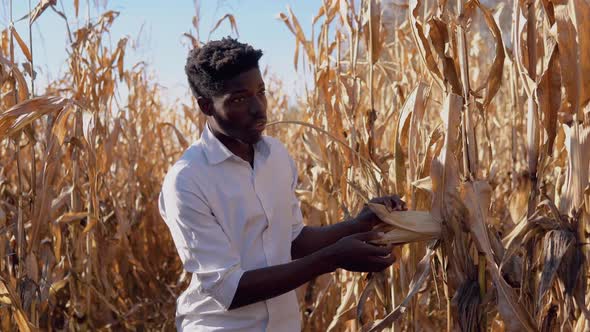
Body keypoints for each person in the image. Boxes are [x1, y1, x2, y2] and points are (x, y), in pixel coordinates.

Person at [158, 37, 406, 332]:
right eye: (239, 99)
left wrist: (360, 224)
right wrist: (334, 257)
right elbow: (230, 289)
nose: (258, 109)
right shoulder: (187, 180)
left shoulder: (276, 156)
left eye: (260, 92)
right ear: (206, 106)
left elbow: (293, 241)